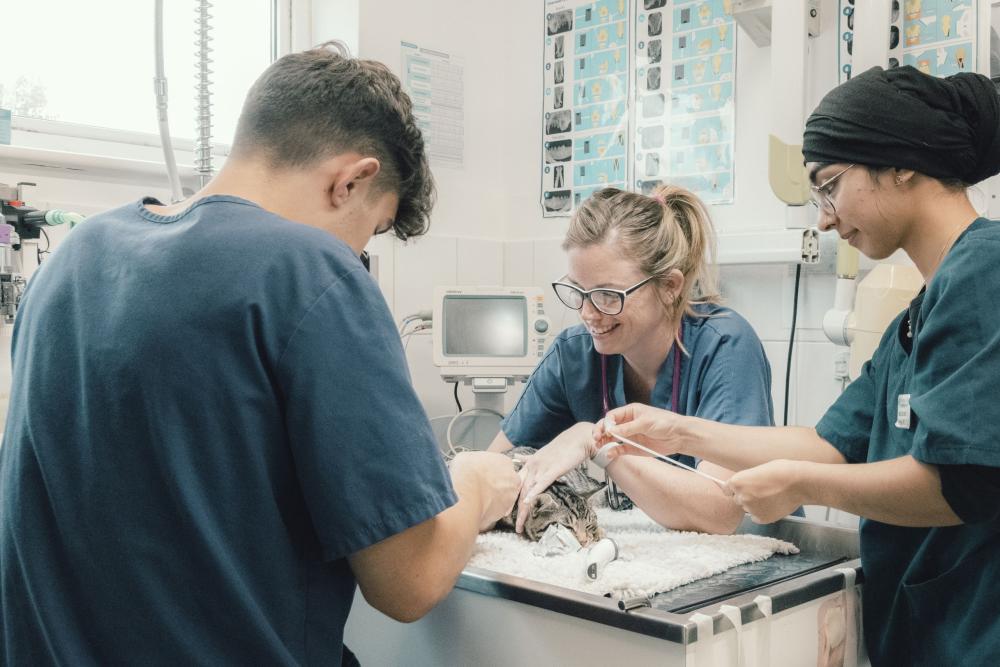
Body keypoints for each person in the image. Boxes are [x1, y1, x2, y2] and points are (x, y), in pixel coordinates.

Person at [0, 44, 521, 665]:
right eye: (371, 230)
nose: (359, 256)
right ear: (350, 179)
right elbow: (408, 582)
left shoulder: (72, 259)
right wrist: (476, 482)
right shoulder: (310, 273)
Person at [594, 65, 1000, 666]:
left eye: (829, 185)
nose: (825, 218)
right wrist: (677, 430)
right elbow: (829, 442)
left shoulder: (983, 273)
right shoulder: (921, 311)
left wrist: (799, 487)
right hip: (926, 631)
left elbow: (959, 483)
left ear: (902, 162)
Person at [489, 185, 776, 535]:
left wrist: (597, 442)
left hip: (755, 557)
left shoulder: (725, 346)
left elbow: (721, 510)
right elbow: (494, 466)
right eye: (578, 292)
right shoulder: (575, 355)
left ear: (670, 286)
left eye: (608, 295)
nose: (589, 313)